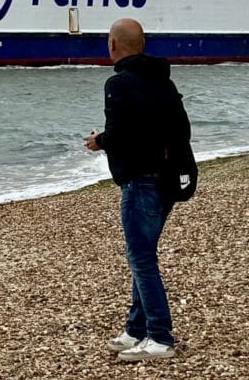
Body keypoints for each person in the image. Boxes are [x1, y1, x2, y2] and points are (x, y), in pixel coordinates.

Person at [83, 18, 188, 362]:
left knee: (141, 259)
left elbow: (121, 132)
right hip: (167, 180)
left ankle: (160, 336)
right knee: (143, 254)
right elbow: (180, 129)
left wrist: (99, 141)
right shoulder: (164, 82)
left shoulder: (119, 84)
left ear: (113, 45)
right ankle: (135, 330)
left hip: (139, 182)